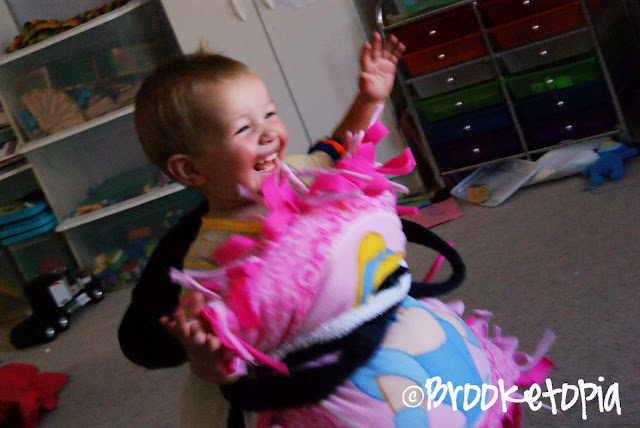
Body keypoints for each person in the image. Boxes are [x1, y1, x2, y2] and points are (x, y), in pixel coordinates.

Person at [120, 32, 408, 427]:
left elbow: (337, 147)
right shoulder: (208, 257)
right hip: (315, 366)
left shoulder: (294, 172)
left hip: (372, 309)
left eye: (270, 114)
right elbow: (220, 350)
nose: (269, 132)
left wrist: (369, 98)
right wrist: (206, 359)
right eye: (244, 129)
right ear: (191, 168)